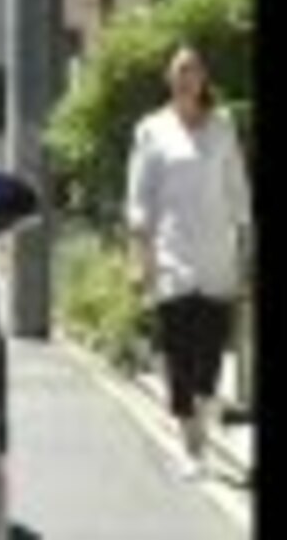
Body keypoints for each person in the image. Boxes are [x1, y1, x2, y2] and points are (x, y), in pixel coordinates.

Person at [125, 44, 252, 480]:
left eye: (193, 69)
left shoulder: (222, 126)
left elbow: (238, 190)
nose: (186, 77)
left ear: (203, 78)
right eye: (179, 70)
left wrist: (246, 249)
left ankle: (201, 422)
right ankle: (191, 447)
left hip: (217, 257)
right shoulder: (152, 130)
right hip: (171, 257)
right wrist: (139, 258)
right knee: (179, 355)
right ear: (169, 78)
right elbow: (139, 198)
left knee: (210, 355)